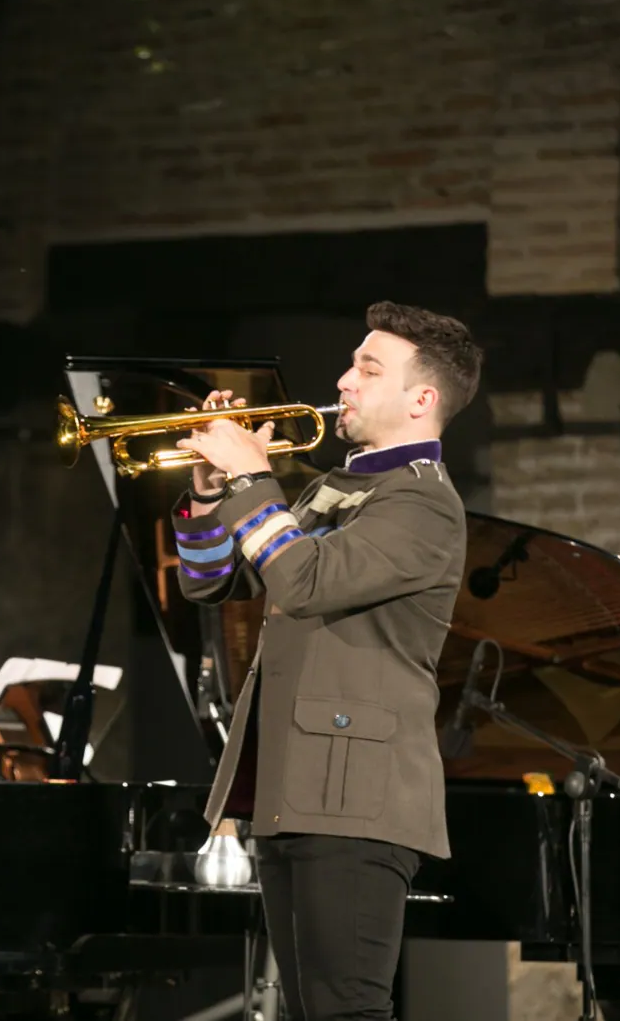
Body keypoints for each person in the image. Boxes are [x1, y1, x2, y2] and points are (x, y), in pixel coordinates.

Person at [170, 301, 482, 1021]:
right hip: (296, 784)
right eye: (350, 364)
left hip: (358, 798)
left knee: (346, 1011)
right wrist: (209, 490)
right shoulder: (337, 488)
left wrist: (251, 478)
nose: (343, 381)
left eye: (367, 369)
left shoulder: (422, 504)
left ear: (421, 399)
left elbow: (303, 582)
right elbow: (211, 581)